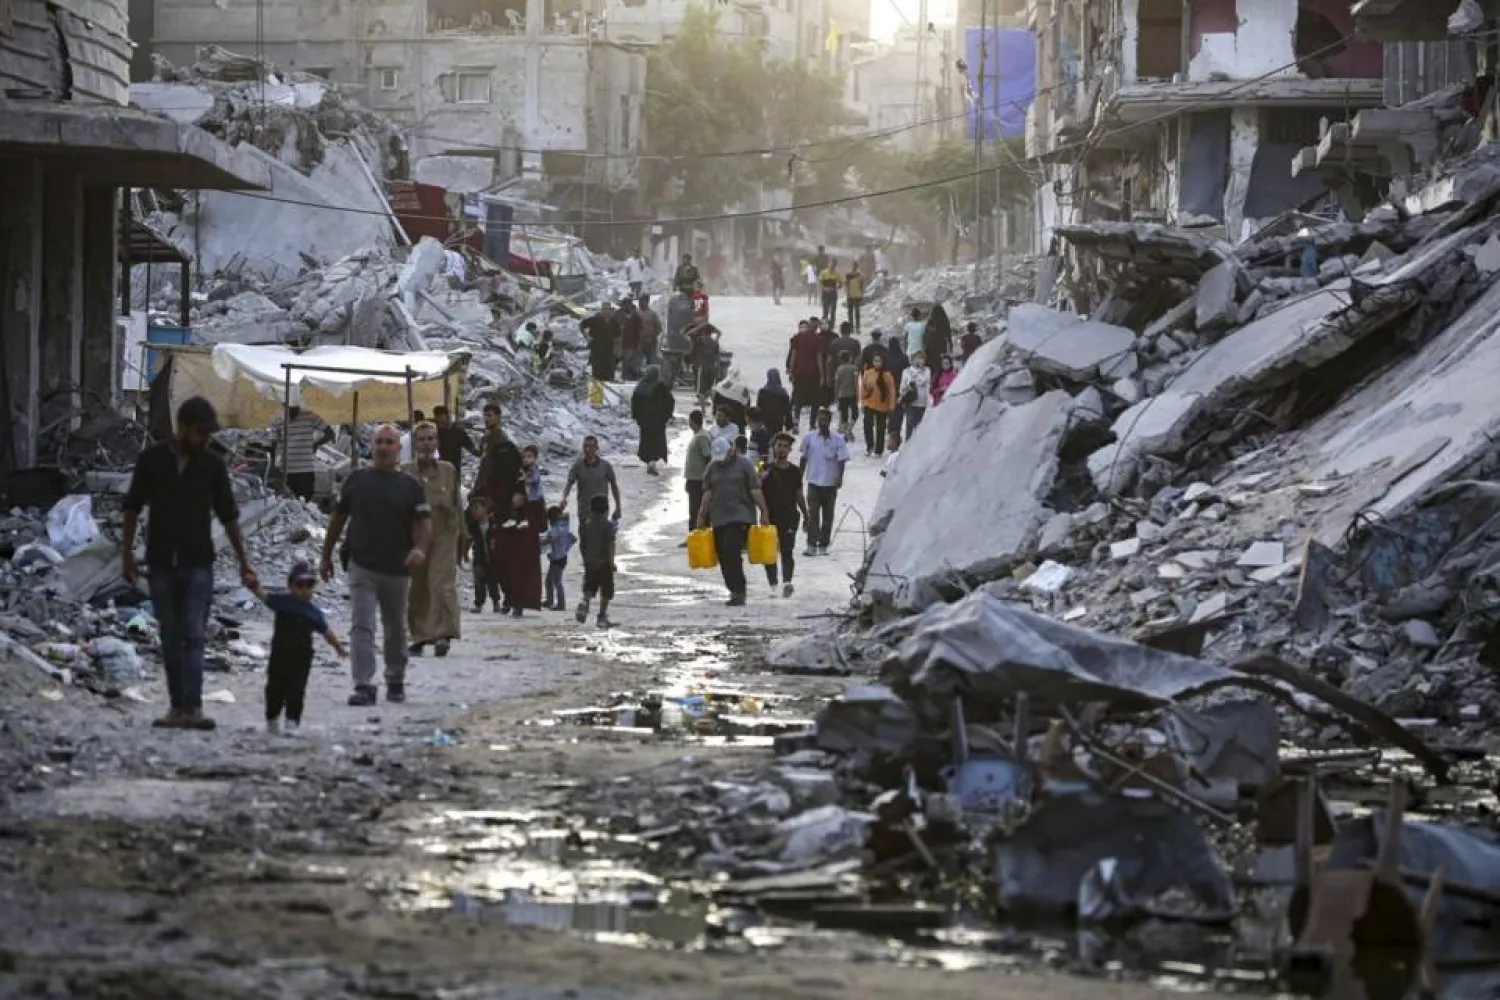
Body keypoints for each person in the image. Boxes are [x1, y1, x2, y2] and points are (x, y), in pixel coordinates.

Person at [122, 396, 258, 731]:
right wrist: (126, 555)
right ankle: (177, 707)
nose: (206, 439)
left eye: (208, 434)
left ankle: (193, 707)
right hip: (160, 561)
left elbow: (228, 515)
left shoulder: (212, 465)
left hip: (198, 562)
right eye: (200, 432)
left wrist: (244, 561)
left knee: (194, 633)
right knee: (170, 635)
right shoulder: (152, 461)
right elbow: (132, 507)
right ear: (182, 428)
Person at [321, 424, 432, 707]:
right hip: (362, 565)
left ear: (398, 449)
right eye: (379, 442)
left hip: (397, 568)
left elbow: (424, 522)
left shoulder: (410, 486)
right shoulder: (357, 481)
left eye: (389, 442)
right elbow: (338, 518)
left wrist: (420, 548)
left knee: (395, 628)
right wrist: (326, 555)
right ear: (372, 447)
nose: (383, 447)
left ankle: (395, 678)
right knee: (362, 625)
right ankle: (363, 684)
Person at [254, 561, 345, 735]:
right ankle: (272, 718)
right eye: (300, 585)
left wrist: (338, 647)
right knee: (275, 688)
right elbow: (263, 596)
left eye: (309, 585)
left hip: (302, 657)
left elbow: (326, 631)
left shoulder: (313, 612)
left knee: (297, 689)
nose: (304, 590)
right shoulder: (282, 602)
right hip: (279, 655)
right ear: (290, 586)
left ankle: (292, 721)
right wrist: (253, 585)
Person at [403, 421, 465, 658]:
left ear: (437, 442)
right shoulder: (406, 472)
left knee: (441, 582)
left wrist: (463, 535)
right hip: (416, 533)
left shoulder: (448, 471)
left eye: (431, 438)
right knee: (418, 586)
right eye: (422, 439)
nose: (427, 444)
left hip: (444, 532)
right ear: (415, 444)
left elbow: (457, 504)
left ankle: (443, 635)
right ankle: (420, 635)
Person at [698, 436, 770, 607]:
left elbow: (755, 489)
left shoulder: (744, 464)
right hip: (719, 517)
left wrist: (764, 512)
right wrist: (701, 515)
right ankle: (732, 589)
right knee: (722, 554)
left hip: (740, 516)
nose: (722, 460)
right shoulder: (712, 467)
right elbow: (708, 492)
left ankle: (739, 591)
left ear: (731, 450)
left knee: (731, 551)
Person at [761, 432, 808, 597]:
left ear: (789, 450)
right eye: (779, 445)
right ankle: (773, 585)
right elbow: (755, 490)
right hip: (769, 518)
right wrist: (761, 478)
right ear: (774, 447)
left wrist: (806, 514)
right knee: (769, 553)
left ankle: (787, 582)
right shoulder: (765, 468)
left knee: (787, 551)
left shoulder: (795, 471)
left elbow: (799, 494)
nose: (781, 449)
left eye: (785, 446)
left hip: (789, 517)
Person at [799, 407, 849, 556]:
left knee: (828, 516)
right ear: (816, 421)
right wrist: (798, 477)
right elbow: (803, 458)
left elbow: (842, 460)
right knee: (813, 514)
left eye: (825, 420)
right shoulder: (809, 438)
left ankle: (823, 545)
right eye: (820, 420)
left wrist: (839, 477)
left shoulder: (838, 439)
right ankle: (811, 544)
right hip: (813, 482)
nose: (822, 423)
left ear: (830, 421)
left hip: (830, 483)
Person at [490, 487, 541, 616]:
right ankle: (508, 601)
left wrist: (525, 526)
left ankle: (518, 605)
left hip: (522, 553)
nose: (514, 499)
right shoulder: (506, 510)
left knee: (519, 579)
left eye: (517, 496)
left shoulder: (529, 511)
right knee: (505, 577)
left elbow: (539, 526)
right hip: (507, 550)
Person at [275, 402, 334, 501]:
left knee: (304, 502)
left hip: (304, 471)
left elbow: (330, 434)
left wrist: (315, 445)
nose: (289, 408)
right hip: (287, 470)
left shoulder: (310, 416)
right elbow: (275, 442)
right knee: (288, 503)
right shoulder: (279, 419)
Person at [575, 494, 618, 627]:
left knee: (589, 586)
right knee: (606, 590)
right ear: (606, 510)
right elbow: (610, 544)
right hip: (604, 563)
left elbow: (582, 545)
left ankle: (585, 601)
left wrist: (585, 558)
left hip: (590, 562)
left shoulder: (585, 526)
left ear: (591, 509)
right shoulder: (608, 526)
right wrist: (612, 562)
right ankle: (601, 616)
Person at [477, 404, 525, 514]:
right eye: (484, 416)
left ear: (498, 417)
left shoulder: (504, 441)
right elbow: (483, 465)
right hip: (483, 489)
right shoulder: (485, 439)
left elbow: (510, 471)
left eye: (489, 415)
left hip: (497, 492)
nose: (486, 419)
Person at [562, 435, 622, 520]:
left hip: (601, 512)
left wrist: (618, 507)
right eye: (585, 446)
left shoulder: (605, 466)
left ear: (596, 448)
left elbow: (614, 486)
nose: (587, 449)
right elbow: (569, 484)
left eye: (590, 446)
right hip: (584, 511)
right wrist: (564, 498)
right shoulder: (577, 466)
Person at [630, 364, 674, 476]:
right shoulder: (660, 386)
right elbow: (670, 401)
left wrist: (636, 417)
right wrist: (667, 416)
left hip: (644, 422)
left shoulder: (640, 385)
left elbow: (634, 402)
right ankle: (652, 464)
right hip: (657, 421)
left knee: (646, 442)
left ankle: (649, 463)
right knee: (656, 443)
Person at [786, 319, 826, 430]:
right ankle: (812, 424)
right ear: (816, 327)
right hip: (814, 374)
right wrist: (822, 375)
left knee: (798, 399)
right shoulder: (819, 339)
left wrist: (791, 371)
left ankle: (796, 421)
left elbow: (794, 355)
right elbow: (819, 358)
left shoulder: (798, 338)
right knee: (815, 401)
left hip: (799, 373)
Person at [463, 494, 500, 613]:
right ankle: (479, 603)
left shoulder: (493, 524)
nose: (475, 512)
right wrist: (465, 553)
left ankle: (496, 601)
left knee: (492, 580)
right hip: (479, 557)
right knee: (479, 580)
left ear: (485, 508)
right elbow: (469, 540)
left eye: (477, 508)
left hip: (493, 557)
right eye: (472, 509)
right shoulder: (473, 526)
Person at [682, 410, 714, 538]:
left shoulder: (702, 436)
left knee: (697, 509)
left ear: (692, 422)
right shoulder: (698, 435)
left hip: (699, 480)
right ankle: (695, 536)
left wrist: (707, 478)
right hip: (693, 479)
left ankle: (697, 536)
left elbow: (707, 457)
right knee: (695, 509)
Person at [542, 504, 576, 611]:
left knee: (556, 581)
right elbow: (573, 538)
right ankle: (550, 601)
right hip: (560, 558)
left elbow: (549, 540)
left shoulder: (555, 530)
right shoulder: (563, 527)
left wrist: (537, 541)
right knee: (550, 581)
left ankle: (560, 604)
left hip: (557, 559)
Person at [860, 356, 896, 457]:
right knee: (867, 425)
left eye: (879, 361)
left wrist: (891, 405)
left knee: (880, 428)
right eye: (875, 361)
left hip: (882, 405)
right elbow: (863, 388)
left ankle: (878, 450)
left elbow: (891, 391)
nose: (877, 363)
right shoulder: (868, 373)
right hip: (869, 403)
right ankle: (869, 446)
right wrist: (862, 402)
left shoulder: (887, 375)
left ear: (883, 362)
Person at [432, 405, 479, 473]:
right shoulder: (434, 431)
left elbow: (470, 446)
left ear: (446, 416)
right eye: (437, 416)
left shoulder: (458, 431)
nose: (438, 419)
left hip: (454, 467)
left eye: (440, 416)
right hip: (439, 467)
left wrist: (480, 452)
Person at [582, 302, 619, 381]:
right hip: (596, 349)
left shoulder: (613, 321)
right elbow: (581, 325)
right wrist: (587, 337)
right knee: (597, 372)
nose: (606, 311)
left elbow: (617, 334)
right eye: (604, 309)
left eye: (608, 309)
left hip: (609, 350)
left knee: (608, 372)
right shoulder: (595, 319)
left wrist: (616, 348)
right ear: (601, 310)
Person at [900, 350, 932, 439]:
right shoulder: (906, 371)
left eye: (921, 358)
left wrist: (928, 401)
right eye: (917, 358)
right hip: (911, 402)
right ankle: (908, 442)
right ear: (912, 359)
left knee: (920, 426)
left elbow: (927, 384)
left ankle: (918, 443)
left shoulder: (927, 371)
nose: (919, 360)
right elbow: (902, 387)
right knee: (910, 423)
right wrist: (907, 388)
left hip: (922, 403)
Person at [756, 369, 792, 434]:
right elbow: (787, 411)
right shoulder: (783, 392)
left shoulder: (762, 391)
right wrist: (789, 425)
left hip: (765, 424)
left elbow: (758, 409)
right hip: (778, 424)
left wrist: (757, 423)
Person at [833, 351, 860, 435]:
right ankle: (849, 428)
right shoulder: (854, 368)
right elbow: (856, 382)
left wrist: (836, 396)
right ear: (850, 358)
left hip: (842, 395)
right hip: (852, 394)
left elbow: (836, 383)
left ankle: (845, 430)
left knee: (844, 414)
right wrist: (858, 394)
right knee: (855, 414)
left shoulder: (838, 369)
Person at [521, 444, 547, 531]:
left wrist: (524, 480)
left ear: (535, 458)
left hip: (536, 500)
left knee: (537, 522)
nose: (526, 459)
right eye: (524, 457)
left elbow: (534, 479)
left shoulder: (534, 468)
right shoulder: (526, 468)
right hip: (531, 500)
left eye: (529, 457)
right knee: (532, 522)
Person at [618, 299, 645, 380]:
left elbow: (641, 332)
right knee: (624, 361)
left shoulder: (637, 318)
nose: (626, 307)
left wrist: (640, 344)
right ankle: (624, 376)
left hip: (632, 344)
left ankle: (630, 376)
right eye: (624, 305)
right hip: (622, 344)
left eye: (628, 305)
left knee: (630, 361)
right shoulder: (620, 315)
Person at [924, 303, 952, 377]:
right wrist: (950, 346)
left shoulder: (930, 322)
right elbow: (948, 334)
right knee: (941, 365)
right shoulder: (945, 321)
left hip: (932, 348)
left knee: (933, 367)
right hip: (942, 347)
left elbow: (927, 336)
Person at [637, 294, 662, 366]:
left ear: (647, 302)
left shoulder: (652, 314)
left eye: (642, 301)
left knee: (651, 362)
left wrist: (651, 337)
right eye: (640, 301)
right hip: (638, 342)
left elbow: (659, 328)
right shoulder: (636, 313)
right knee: (637, 363)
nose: (640, 303)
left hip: (650, 343)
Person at [818, 259, 841, 326]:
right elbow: (820, 282)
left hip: (833, 294)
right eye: (831, 264)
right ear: (828, 264)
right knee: (825, 311)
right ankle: (824, 325)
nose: (831, 266)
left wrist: (835, 288)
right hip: (825, 294)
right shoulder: (823, 272)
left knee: (833, 311)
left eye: (833, 265)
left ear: (835, 266)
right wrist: (824, 288)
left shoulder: (837, 273)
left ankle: (832, 325)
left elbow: (841, 284)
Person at [844, 261, 865, 333]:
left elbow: (862, 285)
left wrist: (862, 294)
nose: (854, 267)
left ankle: (858, 327)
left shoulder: (860, 275)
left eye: (855, 266)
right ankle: (851, 328)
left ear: (857, 266)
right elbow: (846, 284)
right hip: (850, 295)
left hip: (857, 295)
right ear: (851, 266)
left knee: (857, 312)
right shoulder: (848, 274)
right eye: (853, 265)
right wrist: (847, 293)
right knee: (850, 312)